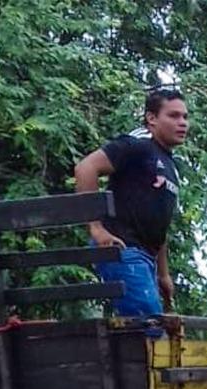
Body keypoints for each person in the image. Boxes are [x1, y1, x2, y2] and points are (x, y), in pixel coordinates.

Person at [75, 88, 188, 316]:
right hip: (123, 247)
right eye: (174, 116)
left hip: (146, 257)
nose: (183, 123)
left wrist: (163, 274)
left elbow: (159, 222)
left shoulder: (170, 164)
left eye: (185, 117)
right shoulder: (139, 144)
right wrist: (96, 229)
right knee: (149, 325)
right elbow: (86, 167)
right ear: (152, 118)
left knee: (149, 326)